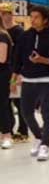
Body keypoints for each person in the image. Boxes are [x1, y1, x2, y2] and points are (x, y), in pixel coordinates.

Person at [12, 5, 49, 161]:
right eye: (31, 17)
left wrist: (43, 60)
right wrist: (14, 79)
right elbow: (17, 59)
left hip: (46, 79)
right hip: (27, 79)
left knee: (47, 113)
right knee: (26, 112)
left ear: (45, 20)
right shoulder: (24, 36)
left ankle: (45, 145)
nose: (33, 20)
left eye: (36, 17)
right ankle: (38, 136)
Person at [0, 2, 28, 141]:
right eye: (3, 14)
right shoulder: (4, 32)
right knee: (6, 102)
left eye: (7, 13)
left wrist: (21, 72)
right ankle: (8, 128)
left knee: (18, 101)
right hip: (7, 69)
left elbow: (23, 52)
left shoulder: (18, 31)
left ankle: (23, 130)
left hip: (15, 70)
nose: (5, 16)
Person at [0, 21, 12, 149]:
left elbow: (2, 58)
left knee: (2, 105)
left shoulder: (2, 36)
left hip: (2, 74)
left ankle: (7, 135)